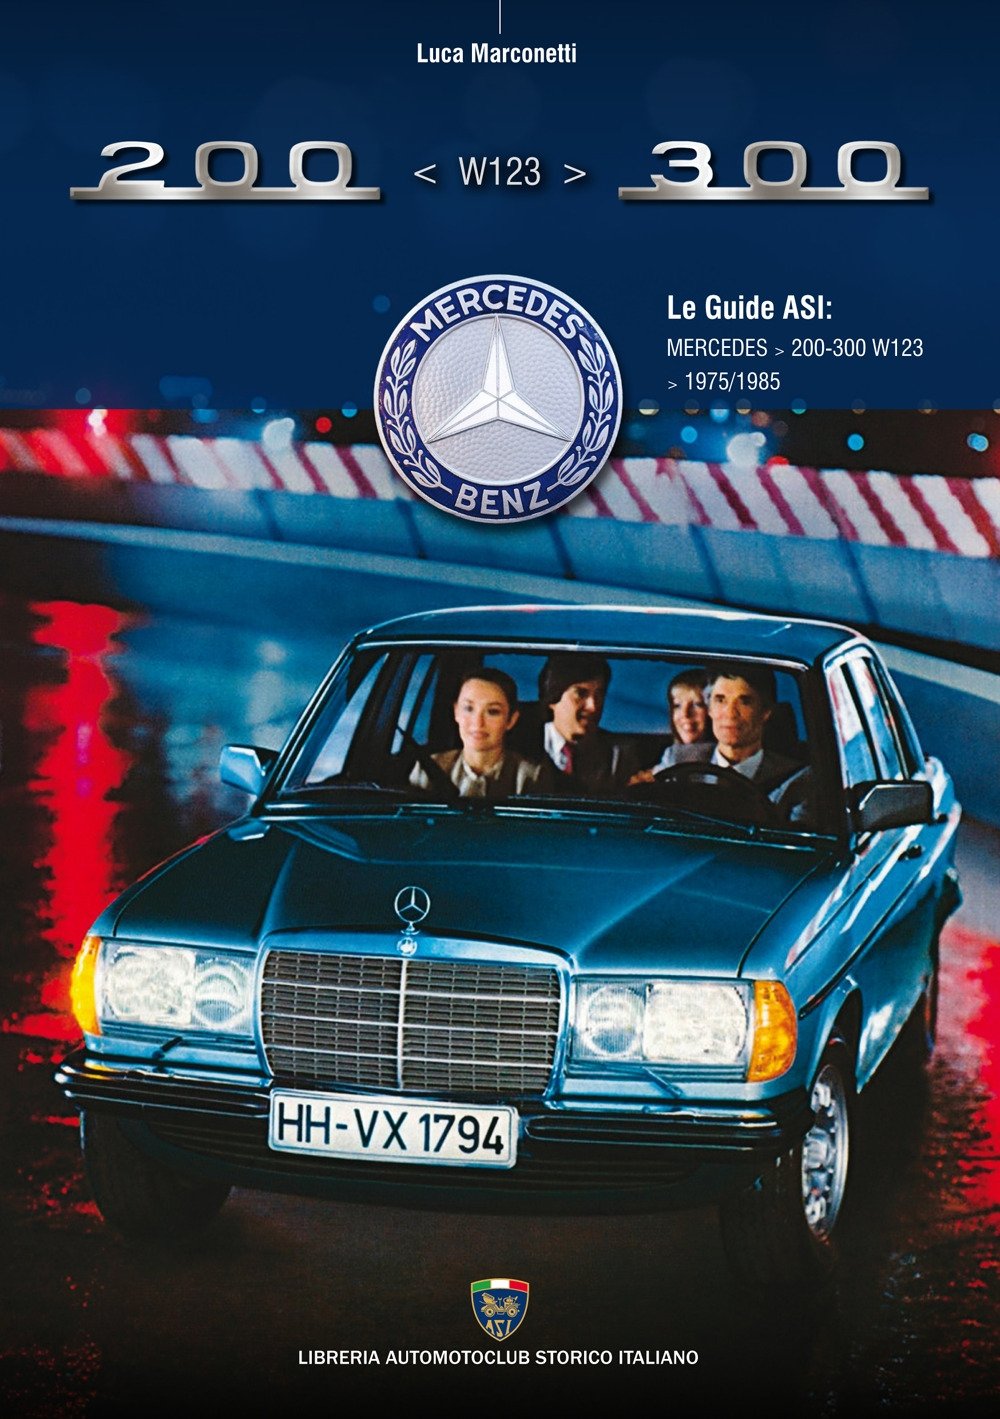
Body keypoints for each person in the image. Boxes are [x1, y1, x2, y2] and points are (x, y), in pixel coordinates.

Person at [409, 670, 553, 799]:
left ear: (511, 720)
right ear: (456, 712)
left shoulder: (531, 777)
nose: (478, 722)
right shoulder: (427, 770)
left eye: (493, 711)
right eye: (468, 708)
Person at [536, 653, 637, 795]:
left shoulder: (618, 756)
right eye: (581, 693)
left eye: (599, 695)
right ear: (553, 697)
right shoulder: (521, 745)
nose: (593, 707)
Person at [629, 667, 711, 785]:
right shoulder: (672, 753)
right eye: (677, 705)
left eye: (697, 704)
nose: (685, 714)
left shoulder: (721, 754)